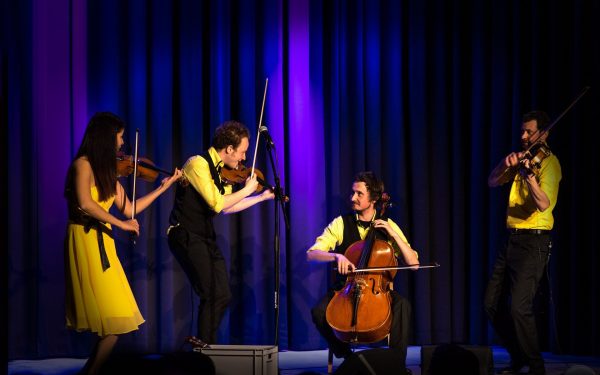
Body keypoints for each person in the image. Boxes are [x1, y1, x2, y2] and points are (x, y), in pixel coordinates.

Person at [64, 111, 182, 375]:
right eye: (119, 137)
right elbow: (85, 203)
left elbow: (130, 209)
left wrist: (163, 188)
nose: (122, 144)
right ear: (106, 138)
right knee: (112, 324)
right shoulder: (83, 165)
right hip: (85, 240)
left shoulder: (110, 175)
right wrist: (122, 225)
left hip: (103, 243)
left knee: (117, 323)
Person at [167, 120, 275, 346]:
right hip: (184, 233)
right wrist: (246, 189)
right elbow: (216, 204)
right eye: (242, 152)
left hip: (204, 237)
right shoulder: (198, 164)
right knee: (210, 292)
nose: (244, 158)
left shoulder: (222, 172)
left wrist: (260, 197)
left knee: (223, 294)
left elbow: (227, 206)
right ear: (229, 149)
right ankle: (206, 351)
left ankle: (207, 345)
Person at [307, 171, 419, 371]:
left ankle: (396, 364)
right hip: (346, 288)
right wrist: (336, 256)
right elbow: (311, 254)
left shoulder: (388, 226)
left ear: (374, 199)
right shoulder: (341, 223)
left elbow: (414, 264)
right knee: (319, 312)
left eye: (359, 194)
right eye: (353, 193)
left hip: (378, 290)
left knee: (403, 306)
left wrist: (393, 234)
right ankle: (349, 358)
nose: (353, 198)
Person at [484, 110, 562, 375]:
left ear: (544, 133)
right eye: (522, 131)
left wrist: (529, 177)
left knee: (519, 307)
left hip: (534, 242)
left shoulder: (549, 163)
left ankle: (536, 366)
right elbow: (492, 181)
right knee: (490, 303)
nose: (524, 136)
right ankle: (519, 358)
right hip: (512, 239)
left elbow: (543, 205)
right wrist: (505, 164)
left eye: (529, 131)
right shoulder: (521, 160)